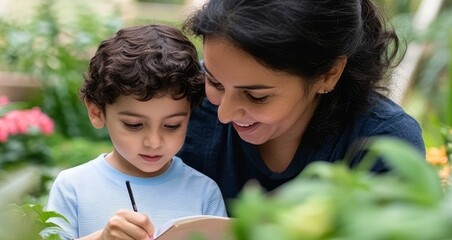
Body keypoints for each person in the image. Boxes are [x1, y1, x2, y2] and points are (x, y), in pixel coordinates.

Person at [178, 0, 426, 204]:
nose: (224, 114)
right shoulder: (177, 102)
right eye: (215, 82)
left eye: (256, 96)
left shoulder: (384, 146)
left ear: (329, 74)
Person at [45, 24, 227, 240]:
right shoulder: (72, 186)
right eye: (133, 125)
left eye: (172, 126)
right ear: (96, 112)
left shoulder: (204, 192)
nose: (154, 142)